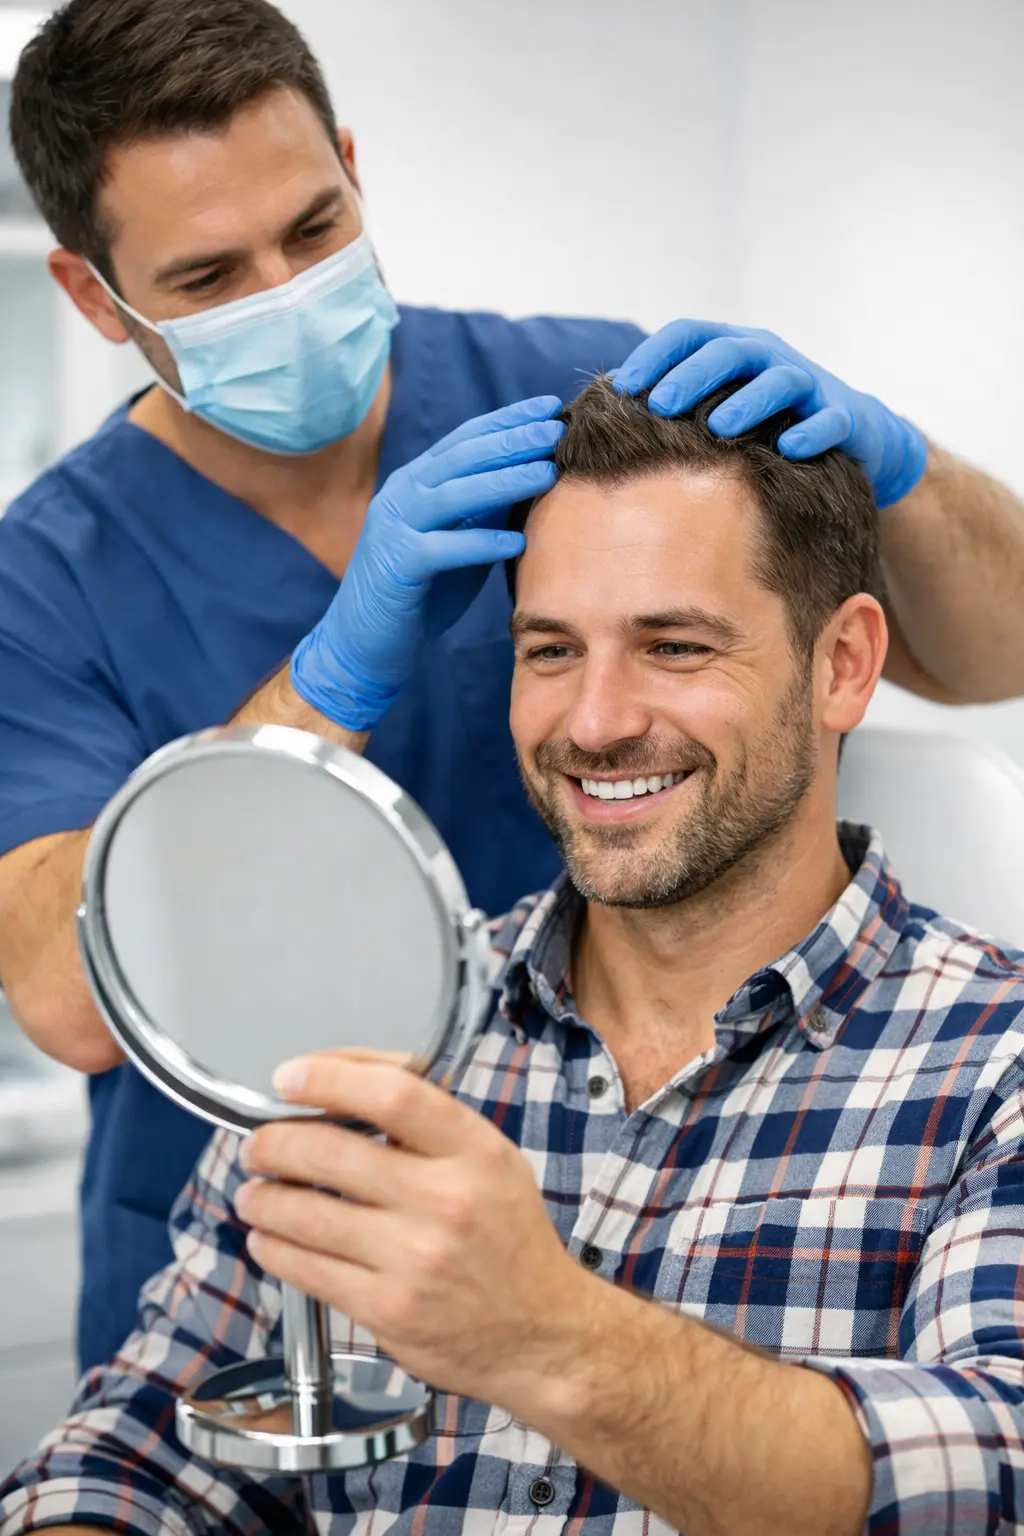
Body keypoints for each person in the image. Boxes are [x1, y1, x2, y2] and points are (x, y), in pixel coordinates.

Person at [0, 0, 1021, 1378]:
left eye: (313, 230)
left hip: (662, 1201)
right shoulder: (46, 578)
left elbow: (995, 651)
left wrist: (906, 471)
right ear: (90, 295)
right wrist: (324, 685)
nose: (285, 297)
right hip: (273, 1258)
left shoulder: (571, 394)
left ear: (354, 166)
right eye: (208, 278)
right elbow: (69, 996)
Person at [4, 379, 1023, 1536]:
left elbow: (992, 1478)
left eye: (673, 645)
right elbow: (135, 1454)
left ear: (842, 664)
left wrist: (549, 1337)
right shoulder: (372, 1032)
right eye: (548, 650)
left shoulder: (996, 1068)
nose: (591, 723)